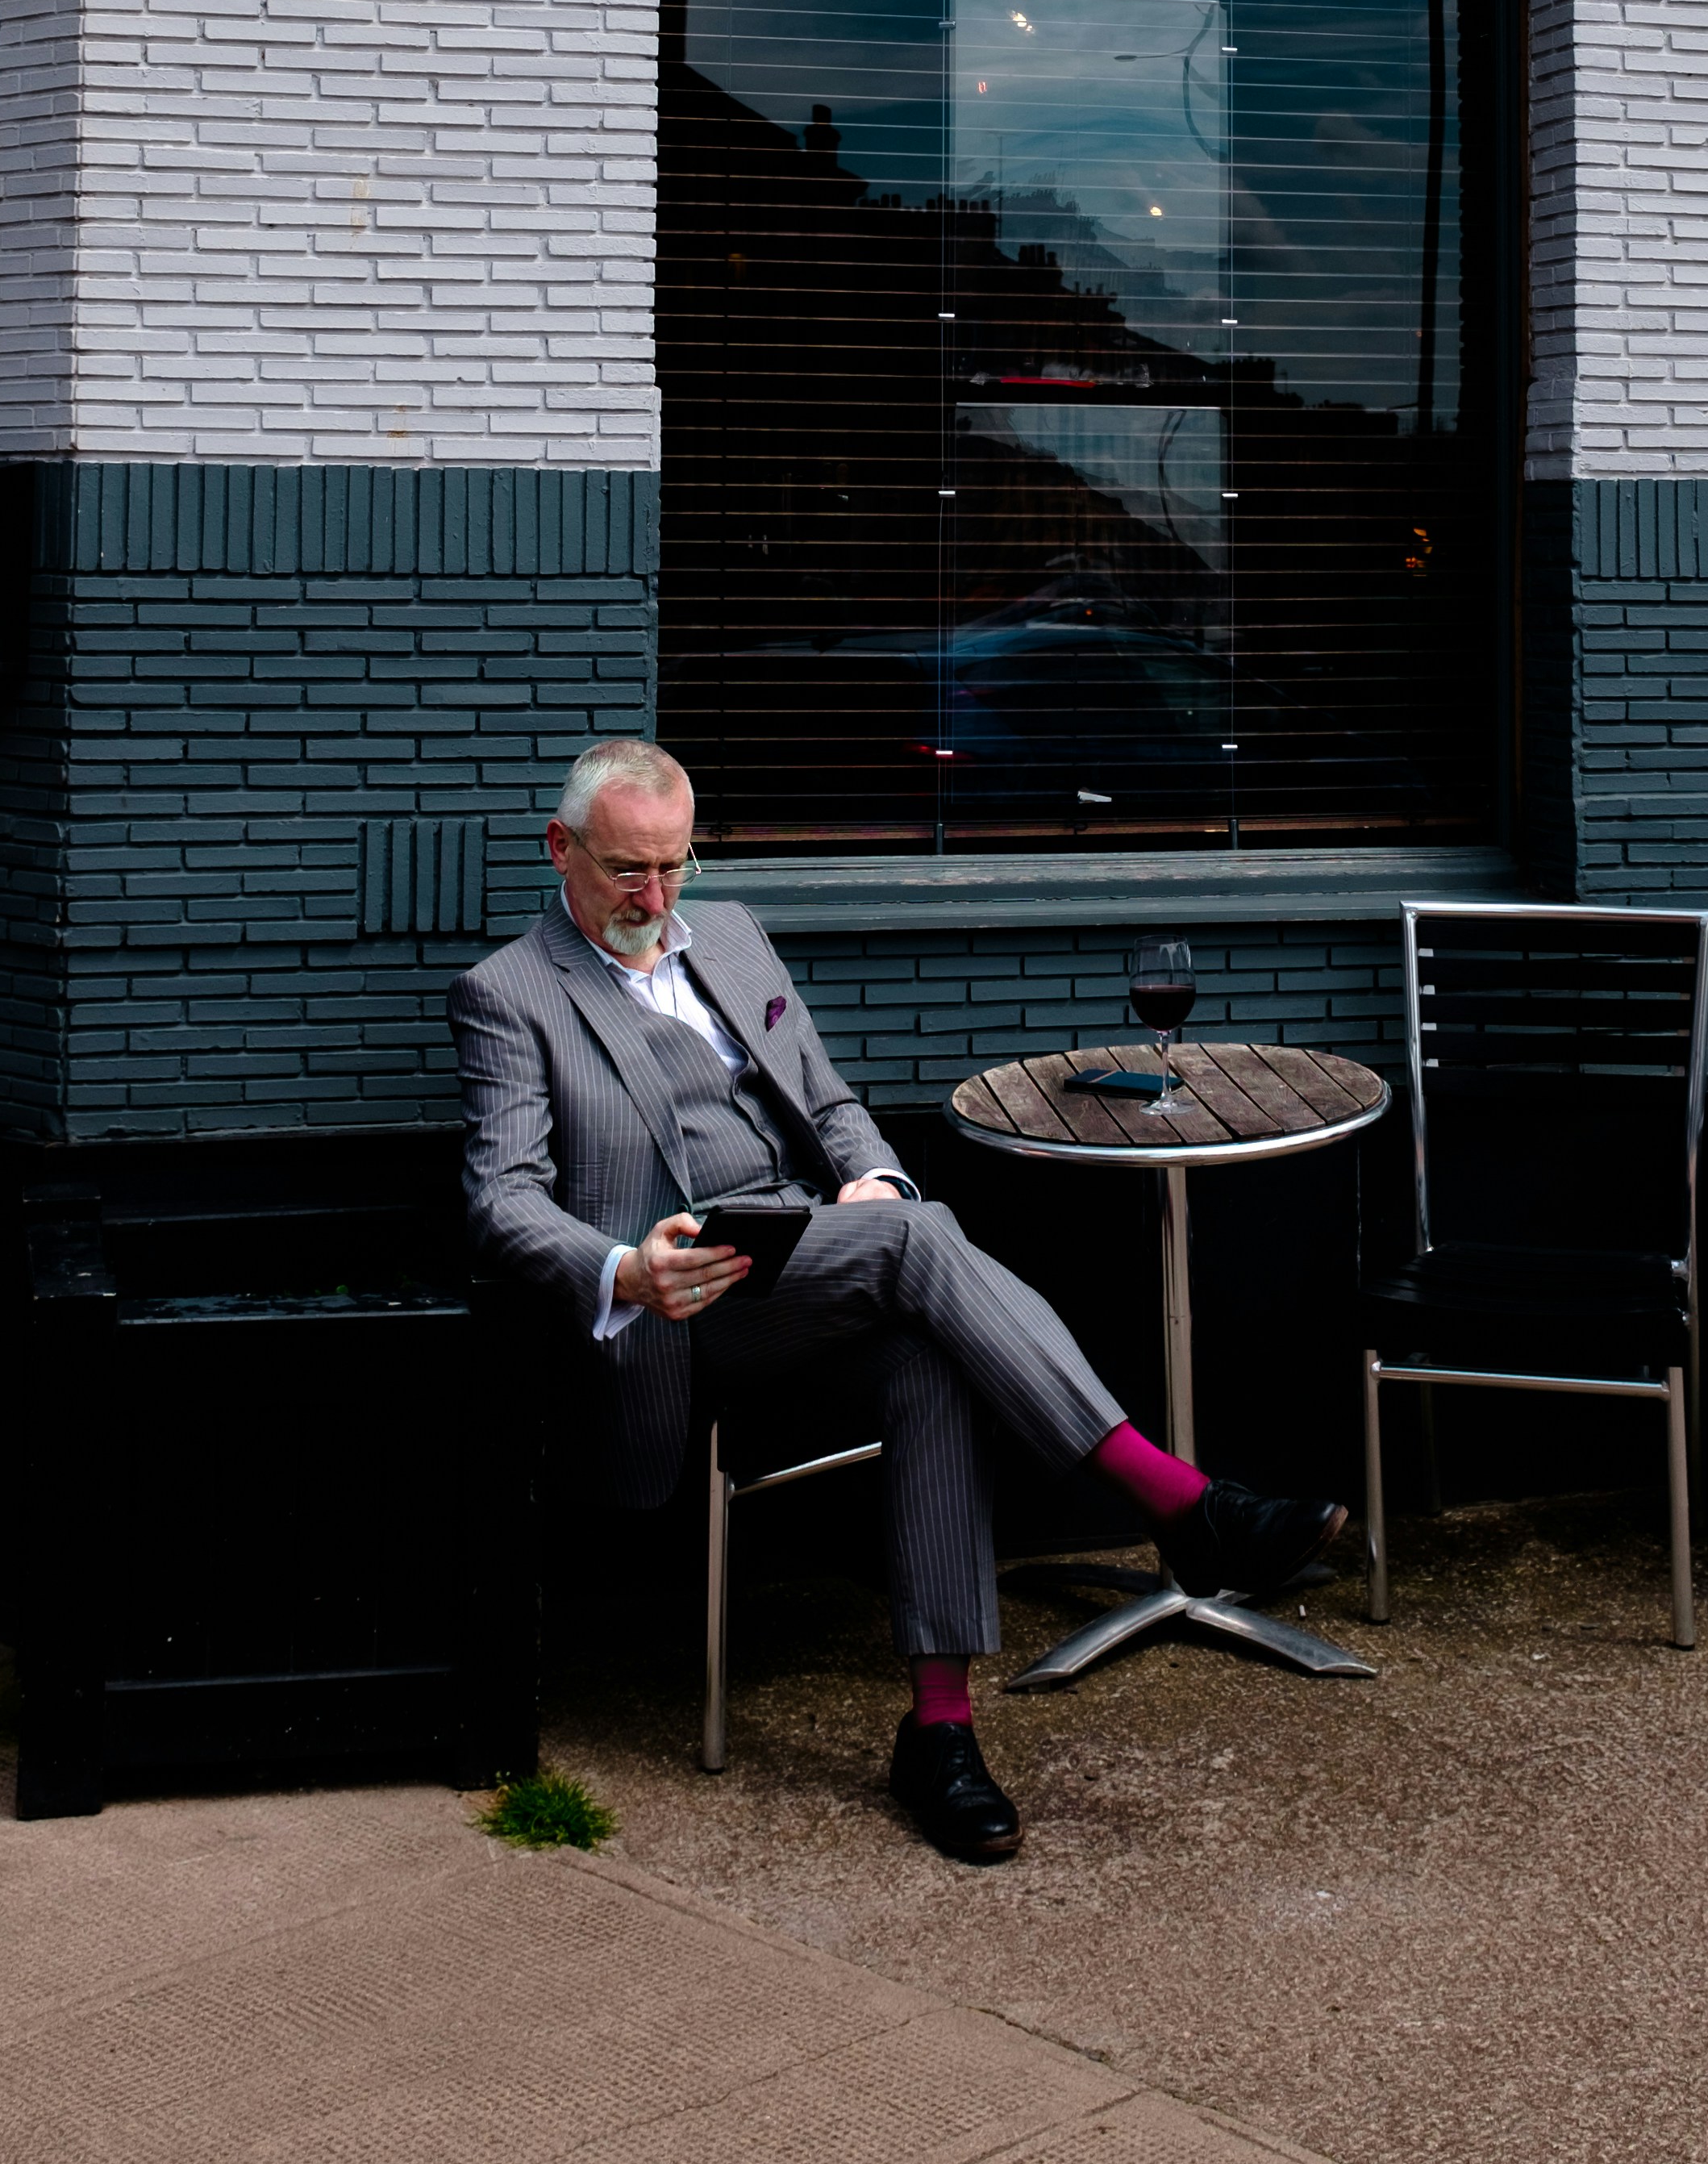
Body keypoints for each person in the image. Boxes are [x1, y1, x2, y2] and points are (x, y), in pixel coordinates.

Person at [451, 735, 1348, 1862]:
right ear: (560, 848)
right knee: (916, 1244)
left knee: (927, 1346)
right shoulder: (509, 996)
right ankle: (1180, 1504)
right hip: (689, 1301)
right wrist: (624, 1268)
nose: (656, 894)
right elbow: (501, 1201)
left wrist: (870, 1175)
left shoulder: (724, 937)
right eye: (630, 869)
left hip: (819, 1250)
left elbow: (830, 1105)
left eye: (676, 866)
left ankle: (939, 1728)